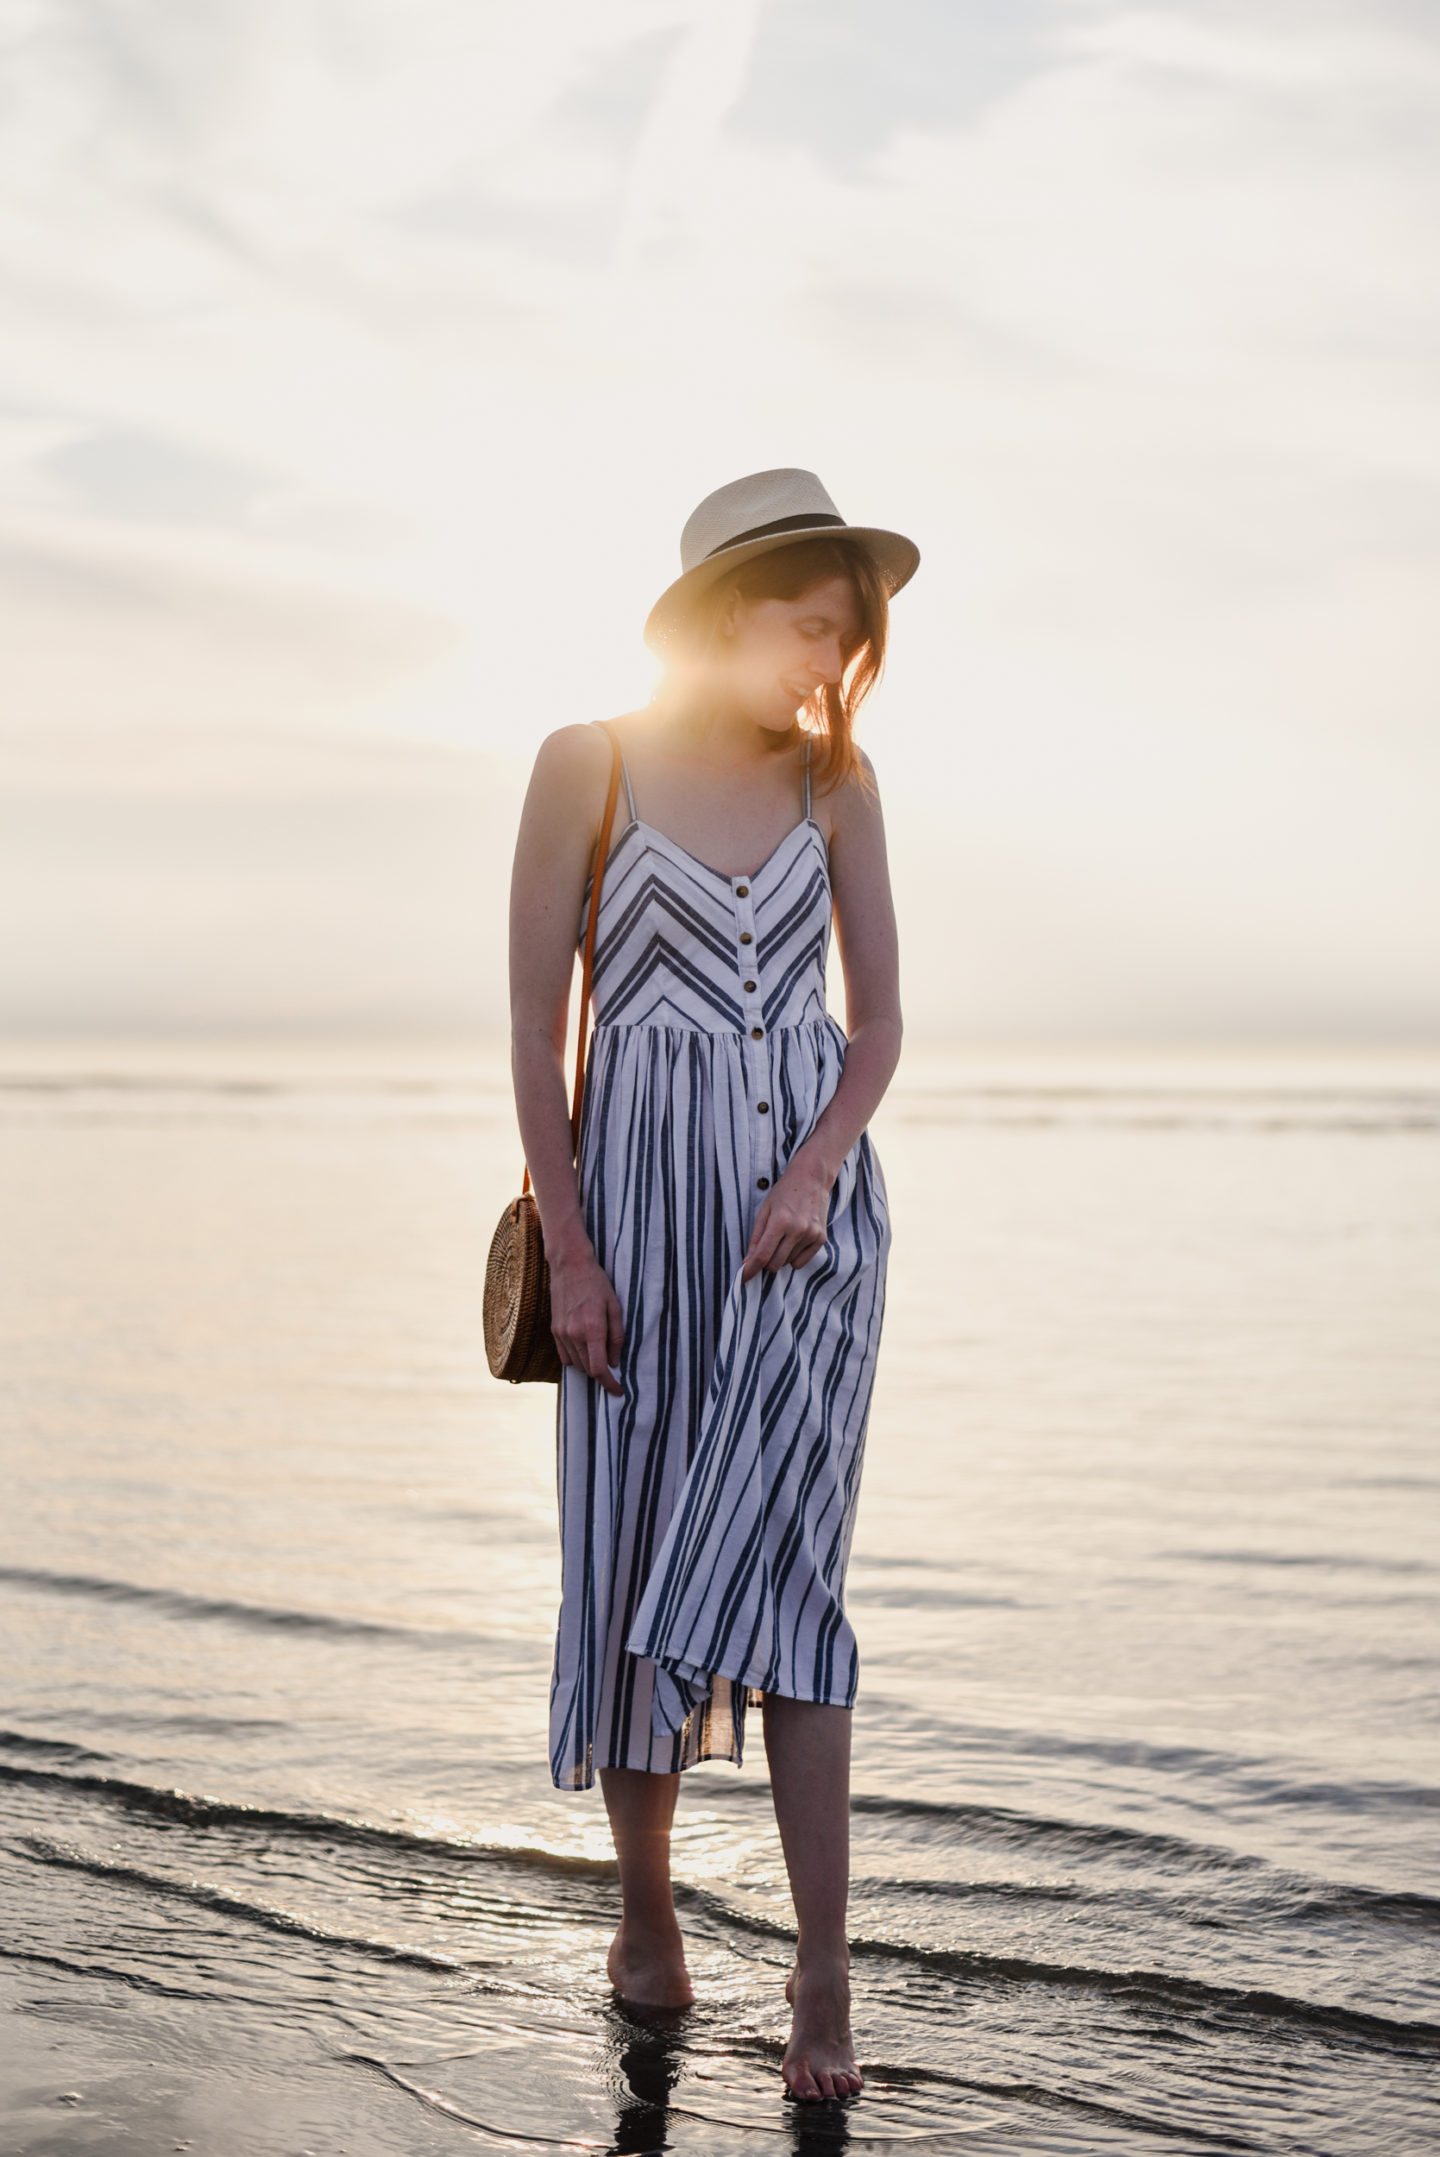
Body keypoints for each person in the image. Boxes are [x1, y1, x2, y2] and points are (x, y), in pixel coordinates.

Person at [507, 469, 918, 2102]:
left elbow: (877, 1021)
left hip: (805, 1239)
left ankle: (824, 1972)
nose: (829, 660)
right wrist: (577, 1253)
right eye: (810, 623)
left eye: (848, 636)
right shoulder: (583, 764)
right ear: (724, 609)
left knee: (798, 1590)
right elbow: (541, 1036)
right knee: (624, 1581)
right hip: (635, 1234)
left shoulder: (843, 780)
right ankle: (649, 1913)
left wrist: (817, 1167)